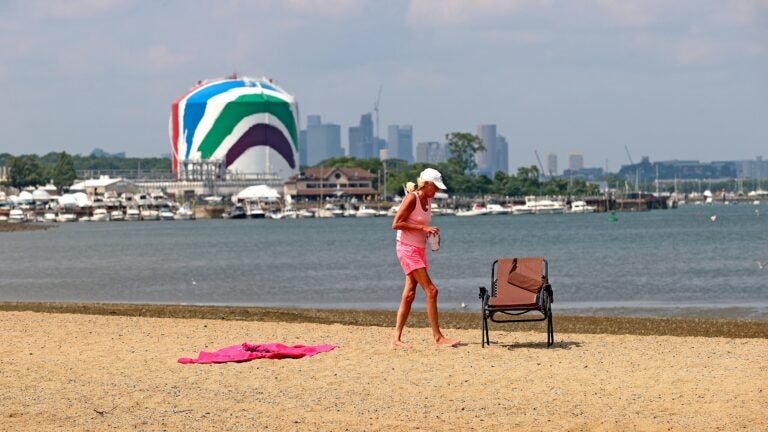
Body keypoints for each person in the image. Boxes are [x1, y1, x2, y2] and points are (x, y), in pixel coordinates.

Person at [391, 168, 460, 348]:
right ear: (427, 184)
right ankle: (438, 338)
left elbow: (418, 222)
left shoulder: (428, 199)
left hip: (419, 249)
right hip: (406, 249)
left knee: (410, 294)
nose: (437, 191)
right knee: (432, 290)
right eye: (435, 187)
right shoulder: (411, 198)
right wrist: (423, 229)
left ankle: (396, 339)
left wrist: (430, 236)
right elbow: (396, 223)